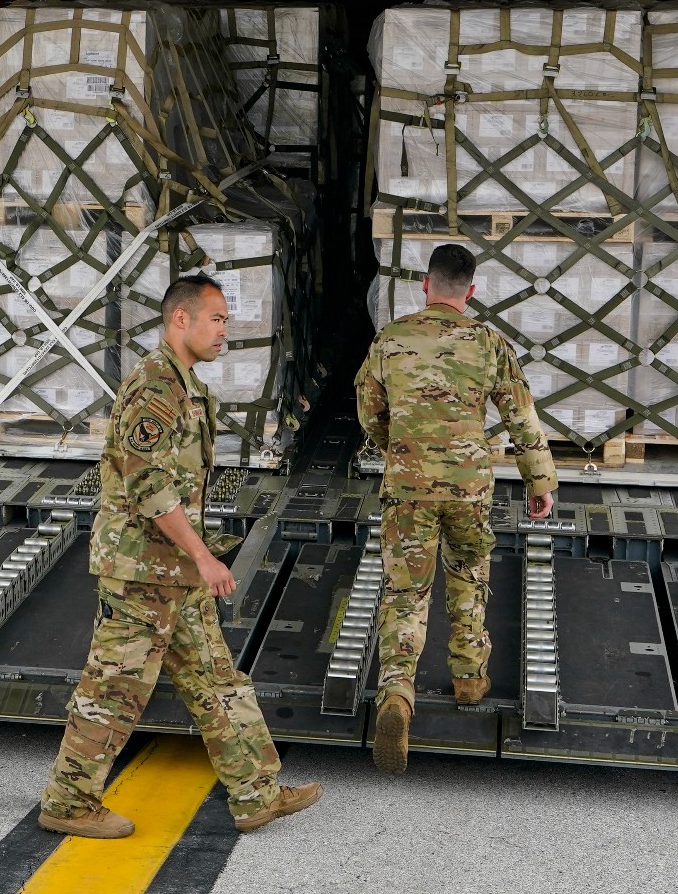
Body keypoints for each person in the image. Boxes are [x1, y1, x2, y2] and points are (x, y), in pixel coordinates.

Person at [40, 275, 321, 839]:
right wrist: (206, 556)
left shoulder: (187, 387)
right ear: (180, 320)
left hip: (175, 569)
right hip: (142, 570)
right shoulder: (154, 389)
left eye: (226, 321)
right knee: (113, 690)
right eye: (216, 319)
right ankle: (68, 802)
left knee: (217, 679)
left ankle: (256, 793)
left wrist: (195, 559)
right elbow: (149, 487)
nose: (226, 332)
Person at [353, 243, 558, 776]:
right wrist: (540, 481)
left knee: (405, 590)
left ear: (425, 284)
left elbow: (368, 408)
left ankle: (397, 692)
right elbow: (522, 416)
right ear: (470, 291)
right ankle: (468, 678)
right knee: (468, 573)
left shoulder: (390, 339)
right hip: (469, 486)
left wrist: (397, 448)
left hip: (408, 486)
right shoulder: (489, 343)